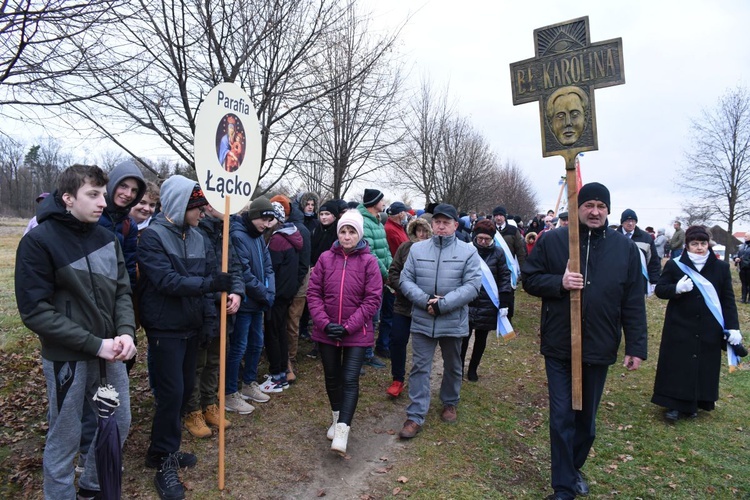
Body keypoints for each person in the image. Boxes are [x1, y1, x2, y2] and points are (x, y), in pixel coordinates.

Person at [15, 164, 136, 500]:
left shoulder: (108, 239)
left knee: (118, 423)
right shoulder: (39, 241)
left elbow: (122, 292)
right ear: (68, 198)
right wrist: (93, 343)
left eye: (102, 193)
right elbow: (34, 311)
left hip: (111, 352)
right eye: (92, 194)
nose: (102, 201)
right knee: (65, 434)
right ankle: (59, 494)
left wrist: (126, 332)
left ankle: (93, 488)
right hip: (67, 356)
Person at [521, 182, 648, 500]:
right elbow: (530, 279)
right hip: (560, 343)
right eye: (588, 204)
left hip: (599, 344)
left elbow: (633, 300)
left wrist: (636, 346)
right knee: (562, 415)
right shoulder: (553, 241)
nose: (594, 211)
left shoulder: (624, 249)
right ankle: (563, 486)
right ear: (577, 209)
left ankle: (573, 467)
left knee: (586, 423)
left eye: (601, 206)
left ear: (608, 210)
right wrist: (559, 282)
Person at [138, 176, 233, 499]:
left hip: (192, 326)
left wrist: (213, 311)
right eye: (196, 208)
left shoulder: (197, 237)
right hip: (166, 328)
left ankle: (162, 449)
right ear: (181, 206)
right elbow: (167, 281)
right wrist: (210, 285)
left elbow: (208, 275)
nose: (202, 213)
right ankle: (163, 458)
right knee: (172, 393)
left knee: (185, 390)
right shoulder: (152, 237)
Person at [397, 204, 482, 439]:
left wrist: (443, 304)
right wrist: (426, 302)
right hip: (423, 318)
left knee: (453, 365)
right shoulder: (417, 250)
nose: (441, 226)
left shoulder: (468, 252)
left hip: (452, 319)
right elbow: (405, 280)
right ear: (432, 224)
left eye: (446, 222)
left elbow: (473, 285)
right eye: (437, 222)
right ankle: (415, 416)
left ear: (456, 225)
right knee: (419, 367)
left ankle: (450, 401)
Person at [307, 210, 382, 455]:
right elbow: (314, 293)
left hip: (355, 332)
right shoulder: (325, 259)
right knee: (332, 377)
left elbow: (372, 300)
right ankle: (336, 416)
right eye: (343, 231)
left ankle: (342, 430)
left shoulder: (368, 262)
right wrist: (325, 323)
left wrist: (349, 326)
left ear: (359, 234)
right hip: (326, 330)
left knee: (349, 379)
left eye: (351, 232)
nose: (347, 236)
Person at [653, 226, 743, 421]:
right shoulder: (675, 265)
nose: (700, 247)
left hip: (709, 326)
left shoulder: (721, 268)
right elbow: (660, 289)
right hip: (679, 324)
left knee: (702, 365)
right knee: (678, 364)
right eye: (694, 244)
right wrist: (676, 288)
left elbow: (727, 300)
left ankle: (695, 403)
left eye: (703, 243)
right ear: (687, 246)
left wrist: (733, 326)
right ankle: (673, 405)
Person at [183, 203, 244, 438]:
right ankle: (193, 410)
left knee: (216, 360)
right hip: (203, 307)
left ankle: (210, 404)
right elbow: (201, 274)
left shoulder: (224, 232)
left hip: (223, 309)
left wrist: (237, 293)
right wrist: (217, 294)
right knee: (198, 361)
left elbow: (235, 267)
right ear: (209, 206)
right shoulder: (196, 231)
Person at [227, 197, 276, 410]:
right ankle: (229, 391)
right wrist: (263, 293)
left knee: (257, 344)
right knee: (239, 347)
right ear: (254, 216)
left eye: (269, 221)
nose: (266, 225)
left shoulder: (258, 237)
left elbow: (268, 267)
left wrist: (269, 291)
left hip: (259, 301)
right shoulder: (237, 235)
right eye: (263, 220)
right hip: (246, 302)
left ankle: (248, 383)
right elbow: (243, 272)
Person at [385, 216, 432, 398]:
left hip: (425, 307)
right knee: (397, 340)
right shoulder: (405, 248)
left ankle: (420, 379)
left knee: (423, 346)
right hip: (403, 304)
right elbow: (394, 271)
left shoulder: (435, 250)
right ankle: (397, 379)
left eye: (425, 230)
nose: (422, 234)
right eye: (419, 230)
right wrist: (404, 287)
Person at [260, 200, 304, 392]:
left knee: (274, 334)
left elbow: (271, 269)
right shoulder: (291, 235)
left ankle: (277, 375)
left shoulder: (277, 240)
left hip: (277, 294)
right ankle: (281, 372)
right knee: (280, 332)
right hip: (286, 292)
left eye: (269, 219)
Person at [461, 220, 511, 381]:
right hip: (467, 300)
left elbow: (504, 276)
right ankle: (459, 367)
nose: (483, 242)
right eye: (480, 238)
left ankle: (473, 368)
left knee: (481, 338)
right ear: (475, 236)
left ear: (492, 239)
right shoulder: (466, 250)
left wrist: (504, 301)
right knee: (463, 337)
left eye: (487, 239)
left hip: (488, 302)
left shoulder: (498, 253)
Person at [357, 188, 392, 368]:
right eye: (381, 200)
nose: (383, 203)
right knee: (368, 316)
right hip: (369, 277)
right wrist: (386, 273)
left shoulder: (377, 221)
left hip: (380, 276)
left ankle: (368, 353)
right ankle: (362, 355)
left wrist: (391, 268)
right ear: (373, 202)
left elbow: (384, 250)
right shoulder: (363, 221)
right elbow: (369, 252)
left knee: (374, 317)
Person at [99, 160, 147, 290]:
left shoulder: (129, 225)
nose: (128, 194)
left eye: (134, 190)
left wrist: (127, 296)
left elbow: (128, 266)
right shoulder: (92, 215)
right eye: (123, 186)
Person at [305, 199, 342, 359]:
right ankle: (317, 343)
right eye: (321, 214)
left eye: (327, 214)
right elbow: (312, 250)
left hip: (333, 275)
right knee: (317, 309)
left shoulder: (338, 232)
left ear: (334, 216)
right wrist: (312, 265)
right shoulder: (316, 230)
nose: (324, 217)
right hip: (316, 273)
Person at [492, 205, 526, 319]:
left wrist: (523, 269)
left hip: (508, 268)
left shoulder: (513, 230)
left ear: (505, 217)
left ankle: (508, 318)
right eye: (496, 215)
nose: (498, 218)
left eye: (501, 215)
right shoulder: (490, 229)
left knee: (508, 294)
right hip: (493, 267)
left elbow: (520, 251)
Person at [618, 209, 661, 294]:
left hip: (639, 280)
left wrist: (654, 281)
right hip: (618, 279)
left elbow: (653, 261)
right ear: (622, 222)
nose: (630, 223)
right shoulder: (614, 237)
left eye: (633, 220)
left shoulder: (646, 238)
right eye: (627, 220)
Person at [736, 232, 750, 303]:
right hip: (742, 268)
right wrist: (736, 258)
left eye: (746, 236)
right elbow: (737, 254)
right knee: (743, 283)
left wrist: (745, 262)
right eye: (744, 236)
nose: (745, 237)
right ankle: (743, 298)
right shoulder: (742, 246)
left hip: (749, 268)